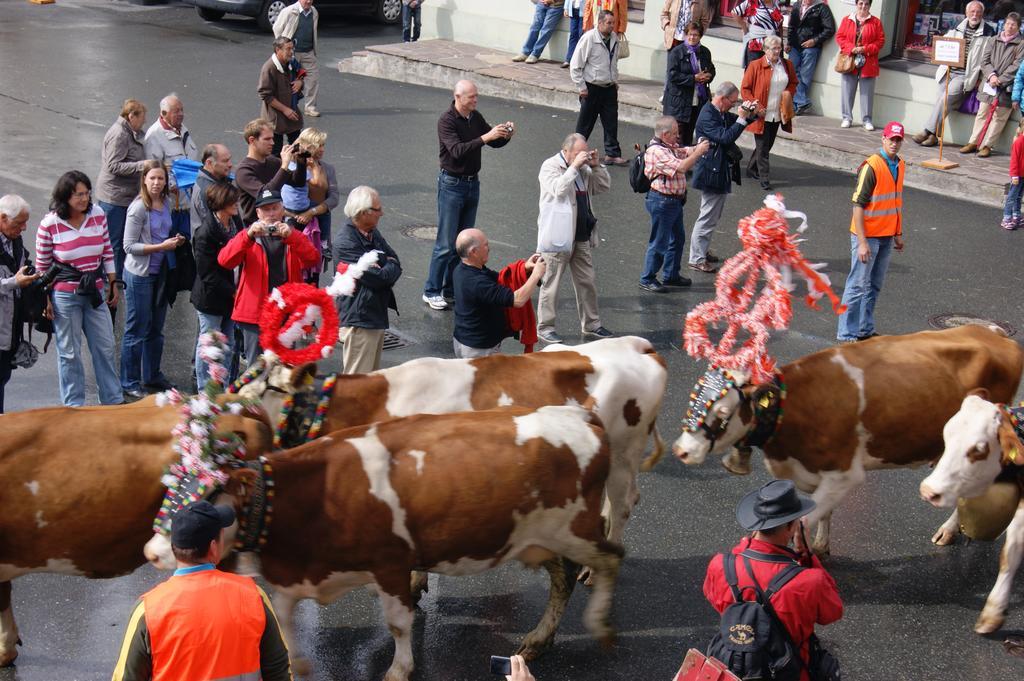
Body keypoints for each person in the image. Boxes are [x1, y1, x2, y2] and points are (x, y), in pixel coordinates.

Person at [111, 501, 291, 681]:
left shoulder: (148, 610)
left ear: (175, 549)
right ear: (213, 548)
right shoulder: (253, 597)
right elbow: (278, 669)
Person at [703, 480, 844, 681]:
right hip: (790, 672)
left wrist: (747, 545)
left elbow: (715, 598)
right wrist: (807, 554)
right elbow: (833, 612)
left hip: (735, 668)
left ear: (755, 522)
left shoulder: (721, 565)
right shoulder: (810, 581)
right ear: (792, 526)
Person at [423, 79, 513, 311]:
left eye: (476, 96)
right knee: (445, 244)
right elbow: (457, 151)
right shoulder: (446, 121)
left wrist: (504, 135)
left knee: (461, 243)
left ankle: (450, 290)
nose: (476, 100)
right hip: (452, 185)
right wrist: (486, 137)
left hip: (473, 184)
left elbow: (492, 143)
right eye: (471, 97)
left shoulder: (475, 117)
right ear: (458, 97)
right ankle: (431, 291)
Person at [35, 171, 123, 406]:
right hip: (64, 294)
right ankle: (73, 406)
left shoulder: (98, 214)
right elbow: (42, 268)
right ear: (65, 197)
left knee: (105, 347)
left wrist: (113, 283)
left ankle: (113, 402)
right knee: (69, 353)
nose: (84, 199)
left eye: (87, 194)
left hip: (94, 292)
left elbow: (106, 250)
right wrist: (46, 301)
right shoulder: (49, 224)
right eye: (78, 195)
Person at [218, 189, 319, 367]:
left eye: (275, 208)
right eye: (266, 210)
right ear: (258, 213)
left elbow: (312, 258)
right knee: (256, 369)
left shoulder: (291, 234)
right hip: (255, 314)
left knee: (284, 367)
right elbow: (224, 260)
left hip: (286, 312)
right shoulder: (249, 236)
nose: (271, 214)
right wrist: (247, 236)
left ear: (283, 209)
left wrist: (292, 236)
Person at [536, 133, 613, 343]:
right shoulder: (550, 166)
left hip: (581, 236)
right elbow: (558, 190)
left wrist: (597, 166)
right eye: (579, 153)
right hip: (557, 237)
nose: (583, 157)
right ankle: (545, 327)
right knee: (551, 283)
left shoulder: (584, 169)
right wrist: (573, 168)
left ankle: (592, 324)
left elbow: (603, 187)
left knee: (587, 281)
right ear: (566, 151)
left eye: (585, 153)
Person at [836, 122, 905, 343]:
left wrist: (897, 232)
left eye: (898, 140)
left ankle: (864, 330)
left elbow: (895, 202)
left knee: (874, 285)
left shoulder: (900, 165)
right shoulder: (872, 166)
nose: (894, 143)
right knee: (857, 286)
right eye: (891, 139)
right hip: (867, 236)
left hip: (885, 236)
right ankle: (846, 335)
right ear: (883, 139)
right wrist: (863, 242)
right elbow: (858, 204)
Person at [121, 161, 185, 400]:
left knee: (156, 329)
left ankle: (152, 376)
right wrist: (161, 246)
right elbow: (129, 246)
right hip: (140, 275)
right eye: (153, 179)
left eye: (161, 179)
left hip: (161, 273)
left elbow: (164, 231)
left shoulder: (166, 202)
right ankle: (129, 381)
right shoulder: (138, 208)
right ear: (144, 180)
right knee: (137, 329)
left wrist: (174, 239)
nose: (157, 183)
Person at [334, 186, 402, 373]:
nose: (382, 213)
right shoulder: (345, 242)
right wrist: (387, 264)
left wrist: (387, 265)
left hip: (374, 314)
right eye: (377, 209)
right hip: (360, 319)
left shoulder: (371, 232)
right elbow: (381, 279)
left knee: (370, 380)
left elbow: (395, 261)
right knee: (357, 385)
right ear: (363, 213)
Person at [689, 83, 755, 274]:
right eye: (733, 102)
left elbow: (737, 122)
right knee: (707, 216)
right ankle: (697, 258)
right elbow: (725, 137)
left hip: (717, 169)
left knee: (712, 215)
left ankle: (702, 250)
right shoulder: (708, 115)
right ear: (723, 98)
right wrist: (742, 119)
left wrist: (752, 113)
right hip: (711, 171)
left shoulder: (718, 112)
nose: (734, 106)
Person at [640, 117, 709, 293]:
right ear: (665, 134)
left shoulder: (668, 146)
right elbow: (682, 167)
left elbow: (683, 151)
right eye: (675, 133)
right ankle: (647, 278)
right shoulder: (657, 152)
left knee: (677, 239)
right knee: (659, 242)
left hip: (673, 201)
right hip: (662, 201)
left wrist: (698, 147)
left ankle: (671, 275)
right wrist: (698, 152)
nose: (678, 136)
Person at [911, 1, 994, 147]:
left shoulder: (988, 32)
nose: (975, 15)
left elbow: (988, 59)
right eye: (972, 12)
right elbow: (944, 46)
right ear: (966, 13)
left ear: (982, 14)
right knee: (942, 103)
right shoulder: (956, 27)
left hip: (965, 76)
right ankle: (934, 137)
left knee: (944, 99)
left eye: (978, 12)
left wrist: (980, 79)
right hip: (947, 71)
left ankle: (926, 130)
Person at [453, 228, 545, 358]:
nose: (489, 248)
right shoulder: (477, 282)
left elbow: (501, 278)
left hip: (467, 342)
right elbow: (517, 300)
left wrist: (524, 267)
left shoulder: (463, 269)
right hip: (479, 350)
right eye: (485, 245)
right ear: (473, 252)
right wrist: (536, 275)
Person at [192, 183, 243, 389]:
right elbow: (207, 274)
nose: (237, 204)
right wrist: (234, 292)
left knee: (228, 344)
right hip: (212, 298)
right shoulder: (205, 233)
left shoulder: (234, 222)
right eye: (232, 200)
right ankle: (206, 391)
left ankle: (222, 388)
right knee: (209, 346)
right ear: (221, 203)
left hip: (231, 297)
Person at [96, 98, 148, 282]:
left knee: (121, 239)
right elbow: (113, 166)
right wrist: (142, 165)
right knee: (114, 241)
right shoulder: (119, 134)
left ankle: (118, 276)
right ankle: (112, 280)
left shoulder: (129, 132)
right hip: (114, 197)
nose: (144, 121)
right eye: (142, 117)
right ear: (131, 116)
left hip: (124, 196)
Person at [961, 12, 1024, 158]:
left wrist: (1000, 79)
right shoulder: (993, 39)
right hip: (989, 83)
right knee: (982, 113)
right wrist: (992, 76)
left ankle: (987, 145)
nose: (1009, 27)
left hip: (1007, 86)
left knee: (999, 118)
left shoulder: (1021, 44)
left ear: (1018, 27)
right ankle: (973, 142)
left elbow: (1017, 66)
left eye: (1013, 25)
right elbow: (984, 61)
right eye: (1007, 23)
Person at [571, 10, 628, 166]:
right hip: (591, 87)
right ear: (600, 23)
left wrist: (615, 81)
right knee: (585, 123)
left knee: (611, 122)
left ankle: (612, 154)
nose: (612, 26)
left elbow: (614, 62)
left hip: (608, 87)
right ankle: (574, 153)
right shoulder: (589, 38)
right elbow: (576, 65)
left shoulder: (614, 38)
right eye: (609, 23)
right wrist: (581, 87)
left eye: (613, 23)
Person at [0, 195, 40, 414]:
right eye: (19, 223)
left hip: (9, 330)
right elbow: (13, 280)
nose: (24, 228)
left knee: (3, 378)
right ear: (3, 218)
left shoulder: (14, 241)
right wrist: (14, 282)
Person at [741, 34, 796, 191]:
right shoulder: (755, 65)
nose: (777, 51)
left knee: (767, 145)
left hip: (777, 113)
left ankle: (751, 168)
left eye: (779, 48)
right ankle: (764, 178)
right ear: (765, 50)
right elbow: (745, 88)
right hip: (761, 113)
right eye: (773, 49)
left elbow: (793, 82)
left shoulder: (787, 65)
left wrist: (788, 94)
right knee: (763, 147)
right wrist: (755, 105)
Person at [144, 94, 200, 240]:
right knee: (170, 249)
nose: (181, 114)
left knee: (189, 246)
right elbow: (153, 170)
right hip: (170, 207)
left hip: (188, 204)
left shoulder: (183, 130)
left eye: (182, 110)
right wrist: (170, 186)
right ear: (163, 114)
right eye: (176, 111)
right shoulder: (154, 136)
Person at [286, 127, 338, 281]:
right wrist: (299, 215)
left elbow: (333, 198)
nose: (322, 149)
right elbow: (287, 198)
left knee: (313, 272)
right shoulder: (295, 166)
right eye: (318, 145)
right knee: (295, 269)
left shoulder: (328, 169)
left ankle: (324, 246)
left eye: (323, 145)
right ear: (308, 146)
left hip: (318, 218)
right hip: (296, 220)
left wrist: (312, 212)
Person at [235, 118, 304, 226]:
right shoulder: (243, 171)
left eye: (272, 138)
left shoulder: (273, 161)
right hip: (256, 229)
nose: (272, 143)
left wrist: (301, 161)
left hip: (278, 226)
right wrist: (285, 165)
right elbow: (266, 194)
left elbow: (298, 182)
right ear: (252, 140)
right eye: (267, 139)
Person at [835, 0, 885, 130]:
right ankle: (846, 118)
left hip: (868, 61)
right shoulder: (847, 20)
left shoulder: (876, 22)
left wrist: (865, 49)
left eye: (866, 4)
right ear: (856, 4)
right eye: (861, 3)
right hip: (850, 60)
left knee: (867, 93)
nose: (863, 6)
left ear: (870, 5)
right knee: (847, 90)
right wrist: (851, 48)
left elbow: (880, 41)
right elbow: (840, 37)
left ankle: (867, 120)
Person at [663, 22, 715, 147]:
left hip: (697, 100)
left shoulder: (705, 52)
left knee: (689, 134)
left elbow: (711, 69)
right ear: (686, 35)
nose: (692, 37)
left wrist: (708, 76)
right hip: (679, 101)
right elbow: (672, 75)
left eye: (696, 35)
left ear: (700, 36)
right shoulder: (677, 52)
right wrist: (693, 78)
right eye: (690, 34)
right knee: (676, 136)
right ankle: (675, 163)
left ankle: (686, 162)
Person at [273, 0, 321, 118]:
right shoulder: (289, 11)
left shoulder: (314, 12)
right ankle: (286, 106)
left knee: (313, 78)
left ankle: (310, 107)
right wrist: (283, 46)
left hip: (308, 51)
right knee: (287, 79)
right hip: (291, 52)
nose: (309, 1)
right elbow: (277, 28)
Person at [787, 0, 836, 116]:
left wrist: (814, 41)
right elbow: (791, 26)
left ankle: (797, 105)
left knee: (804, 76)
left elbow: (830, 29)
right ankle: (801, 101)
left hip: (811, 48)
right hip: (795, 45)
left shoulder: (822, 8)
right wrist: (788, 42)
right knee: (790, 72)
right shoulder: (797, 5)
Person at [259, 36, 305, 156]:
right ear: (278, 50)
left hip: (292, 114)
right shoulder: (269, 68)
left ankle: (296, 173)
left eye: (292, 49)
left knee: (298, 149)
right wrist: (285, 110)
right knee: (275, 152)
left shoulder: (291, 63)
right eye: (288, 49)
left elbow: (300, 75)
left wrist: (300, 83)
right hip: (275, 118)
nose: (291, 52)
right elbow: (266, 95)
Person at [191, 143, 234, 229]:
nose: (230, 164)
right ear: (209, 163)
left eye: (229, 160)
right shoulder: (206, 190)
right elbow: (215, 227)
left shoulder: (221, 180)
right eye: (225, 161)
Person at [731, 0, 783, 68]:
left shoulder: (776, 3)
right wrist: (744, 28)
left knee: (772, 72)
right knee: (754, 70)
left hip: (773, 44)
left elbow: (780, 25)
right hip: (756, 44)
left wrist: (781, 41)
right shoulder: (752, 2)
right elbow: (734, 12)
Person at [1002, 118, 1024, 229]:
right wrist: (1014, 175)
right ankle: (1006, 218)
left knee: (1019, 197)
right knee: (1012, 197)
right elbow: (1014, 160)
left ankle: (1016, 216)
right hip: (1017, 175)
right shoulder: (1019, 142)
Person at [564, 0, 585, 68]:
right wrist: (566, 8)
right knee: (573, 35)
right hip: (573, 10)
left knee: (581, 36)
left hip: (584, 11)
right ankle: (568, 59)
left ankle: (579, 61)